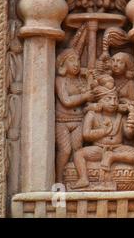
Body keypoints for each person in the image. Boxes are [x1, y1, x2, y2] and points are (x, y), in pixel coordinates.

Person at [71, 77, 134, 189]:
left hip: (117, 148)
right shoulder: (92, 115)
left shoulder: (120, 116)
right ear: (99, 102)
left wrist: (131, 119)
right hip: (99, 149)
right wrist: (104, 131)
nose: (113, 102)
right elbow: (86, 135)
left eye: (115, 99)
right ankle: (83, 178)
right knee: (78, 154)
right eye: (108, 99)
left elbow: (129, 135)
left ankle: (113, 157)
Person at [55, 48, 94, 182]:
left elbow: (90, 98)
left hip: (78, 120)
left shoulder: (80, 81)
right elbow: (66, 101)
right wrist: (84, 96)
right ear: (63, 64)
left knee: (77, 150)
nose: (76, 63)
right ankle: (59, 179)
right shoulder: (60, 80)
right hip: (62, 120)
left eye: (77, 60)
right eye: (71, 60)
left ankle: (74, 178)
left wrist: (89, 80)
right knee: (65, 151)